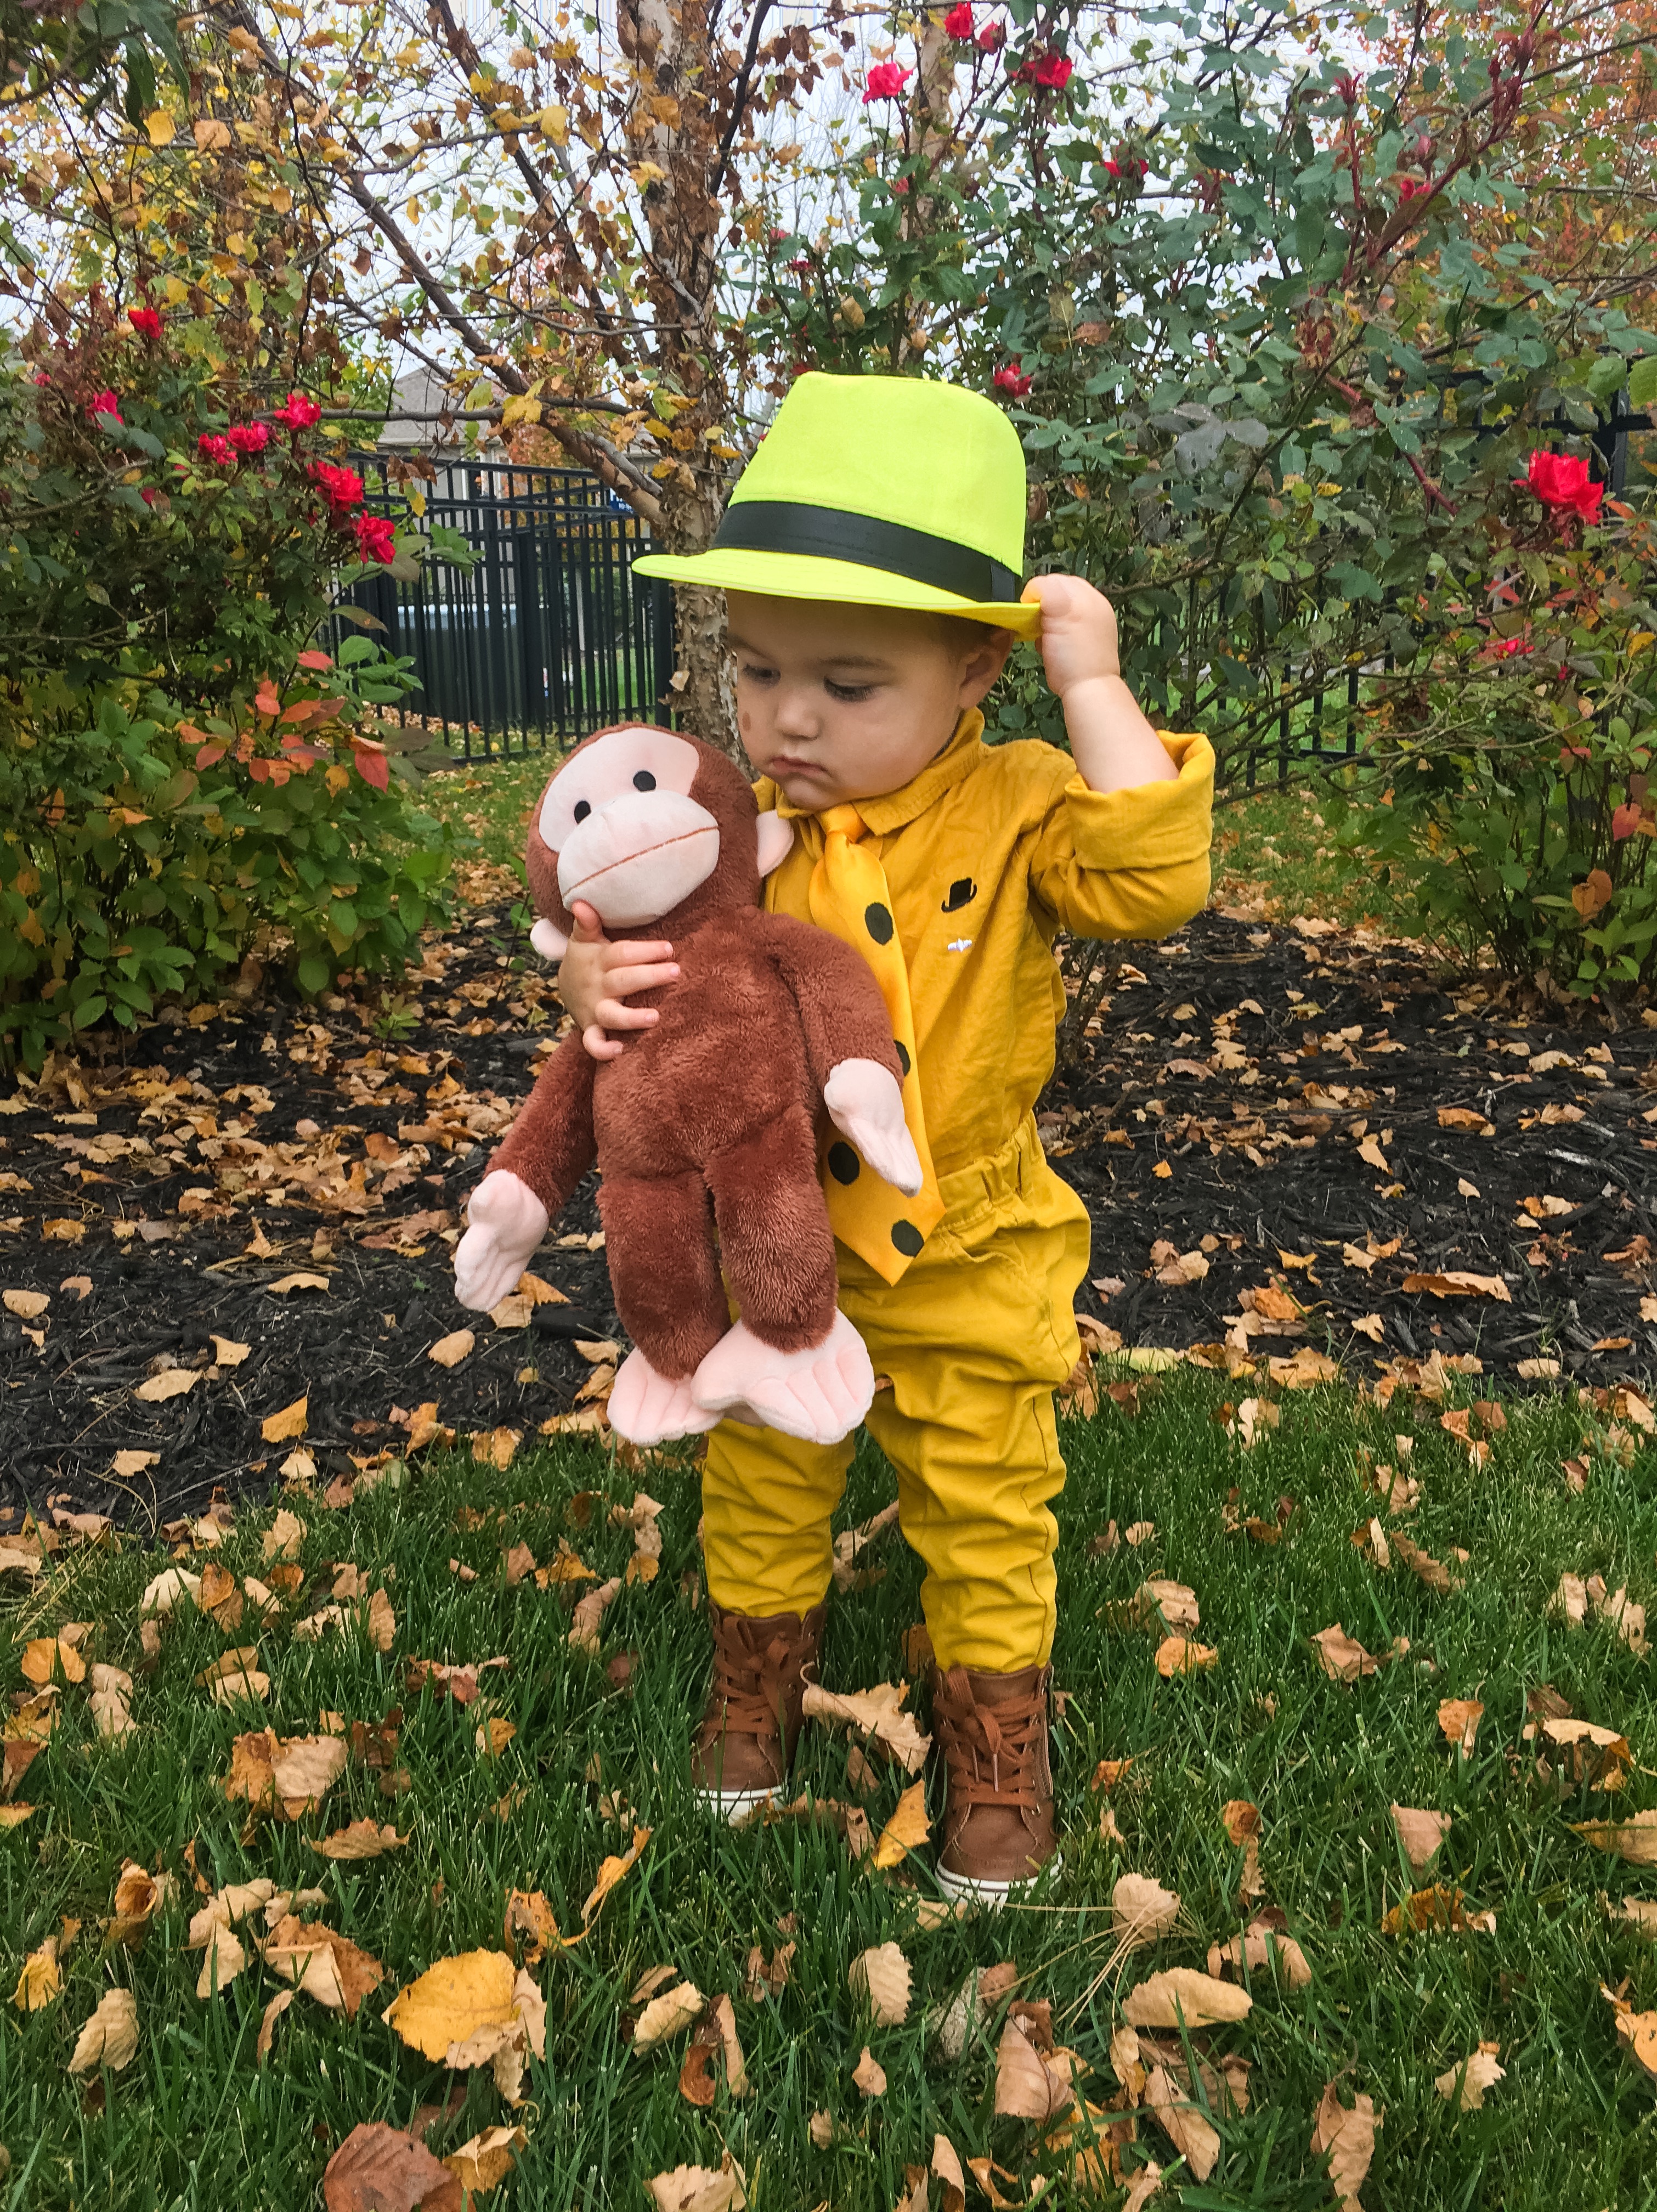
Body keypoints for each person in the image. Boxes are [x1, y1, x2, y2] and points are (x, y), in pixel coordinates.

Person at [556, 372, 1213, 1903]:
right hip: (770, 1250)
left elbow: (1154, 879)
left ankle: (994, 1741)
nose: (790, 717)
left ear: (978, 669)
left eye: (849, 685)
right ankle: (755, 1684)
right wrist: (585, 978)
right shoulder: (721, 827)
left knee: (985, 1493)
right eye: (761, 669)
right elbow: (619, 947)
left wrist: (1098, 690)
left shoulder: (1017, 802)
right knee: (766, 1472)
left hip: (968, 1245)